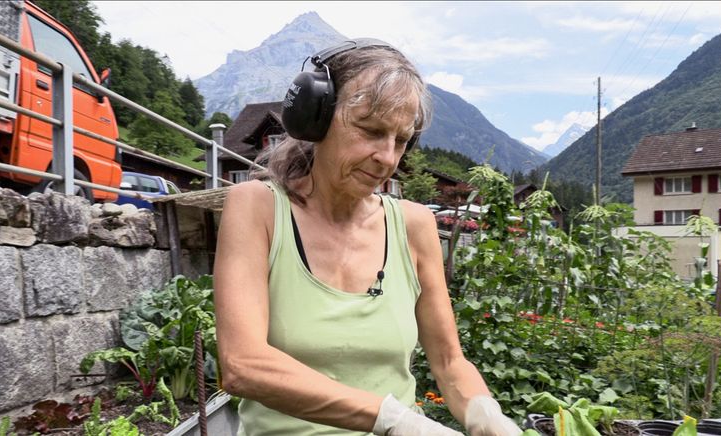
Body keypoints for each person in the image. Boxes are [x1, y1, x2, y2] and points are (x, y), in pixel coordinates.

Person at [214, 38, 522, 436]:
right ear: (317, 119)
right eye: (370, 131)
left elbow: (449, 362)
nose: (388, 158)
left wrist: (485, 413)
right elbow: (243, 365)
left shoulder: (413, 225)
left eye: (400, 140)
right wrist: (391, 420)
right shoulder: (257, 209)